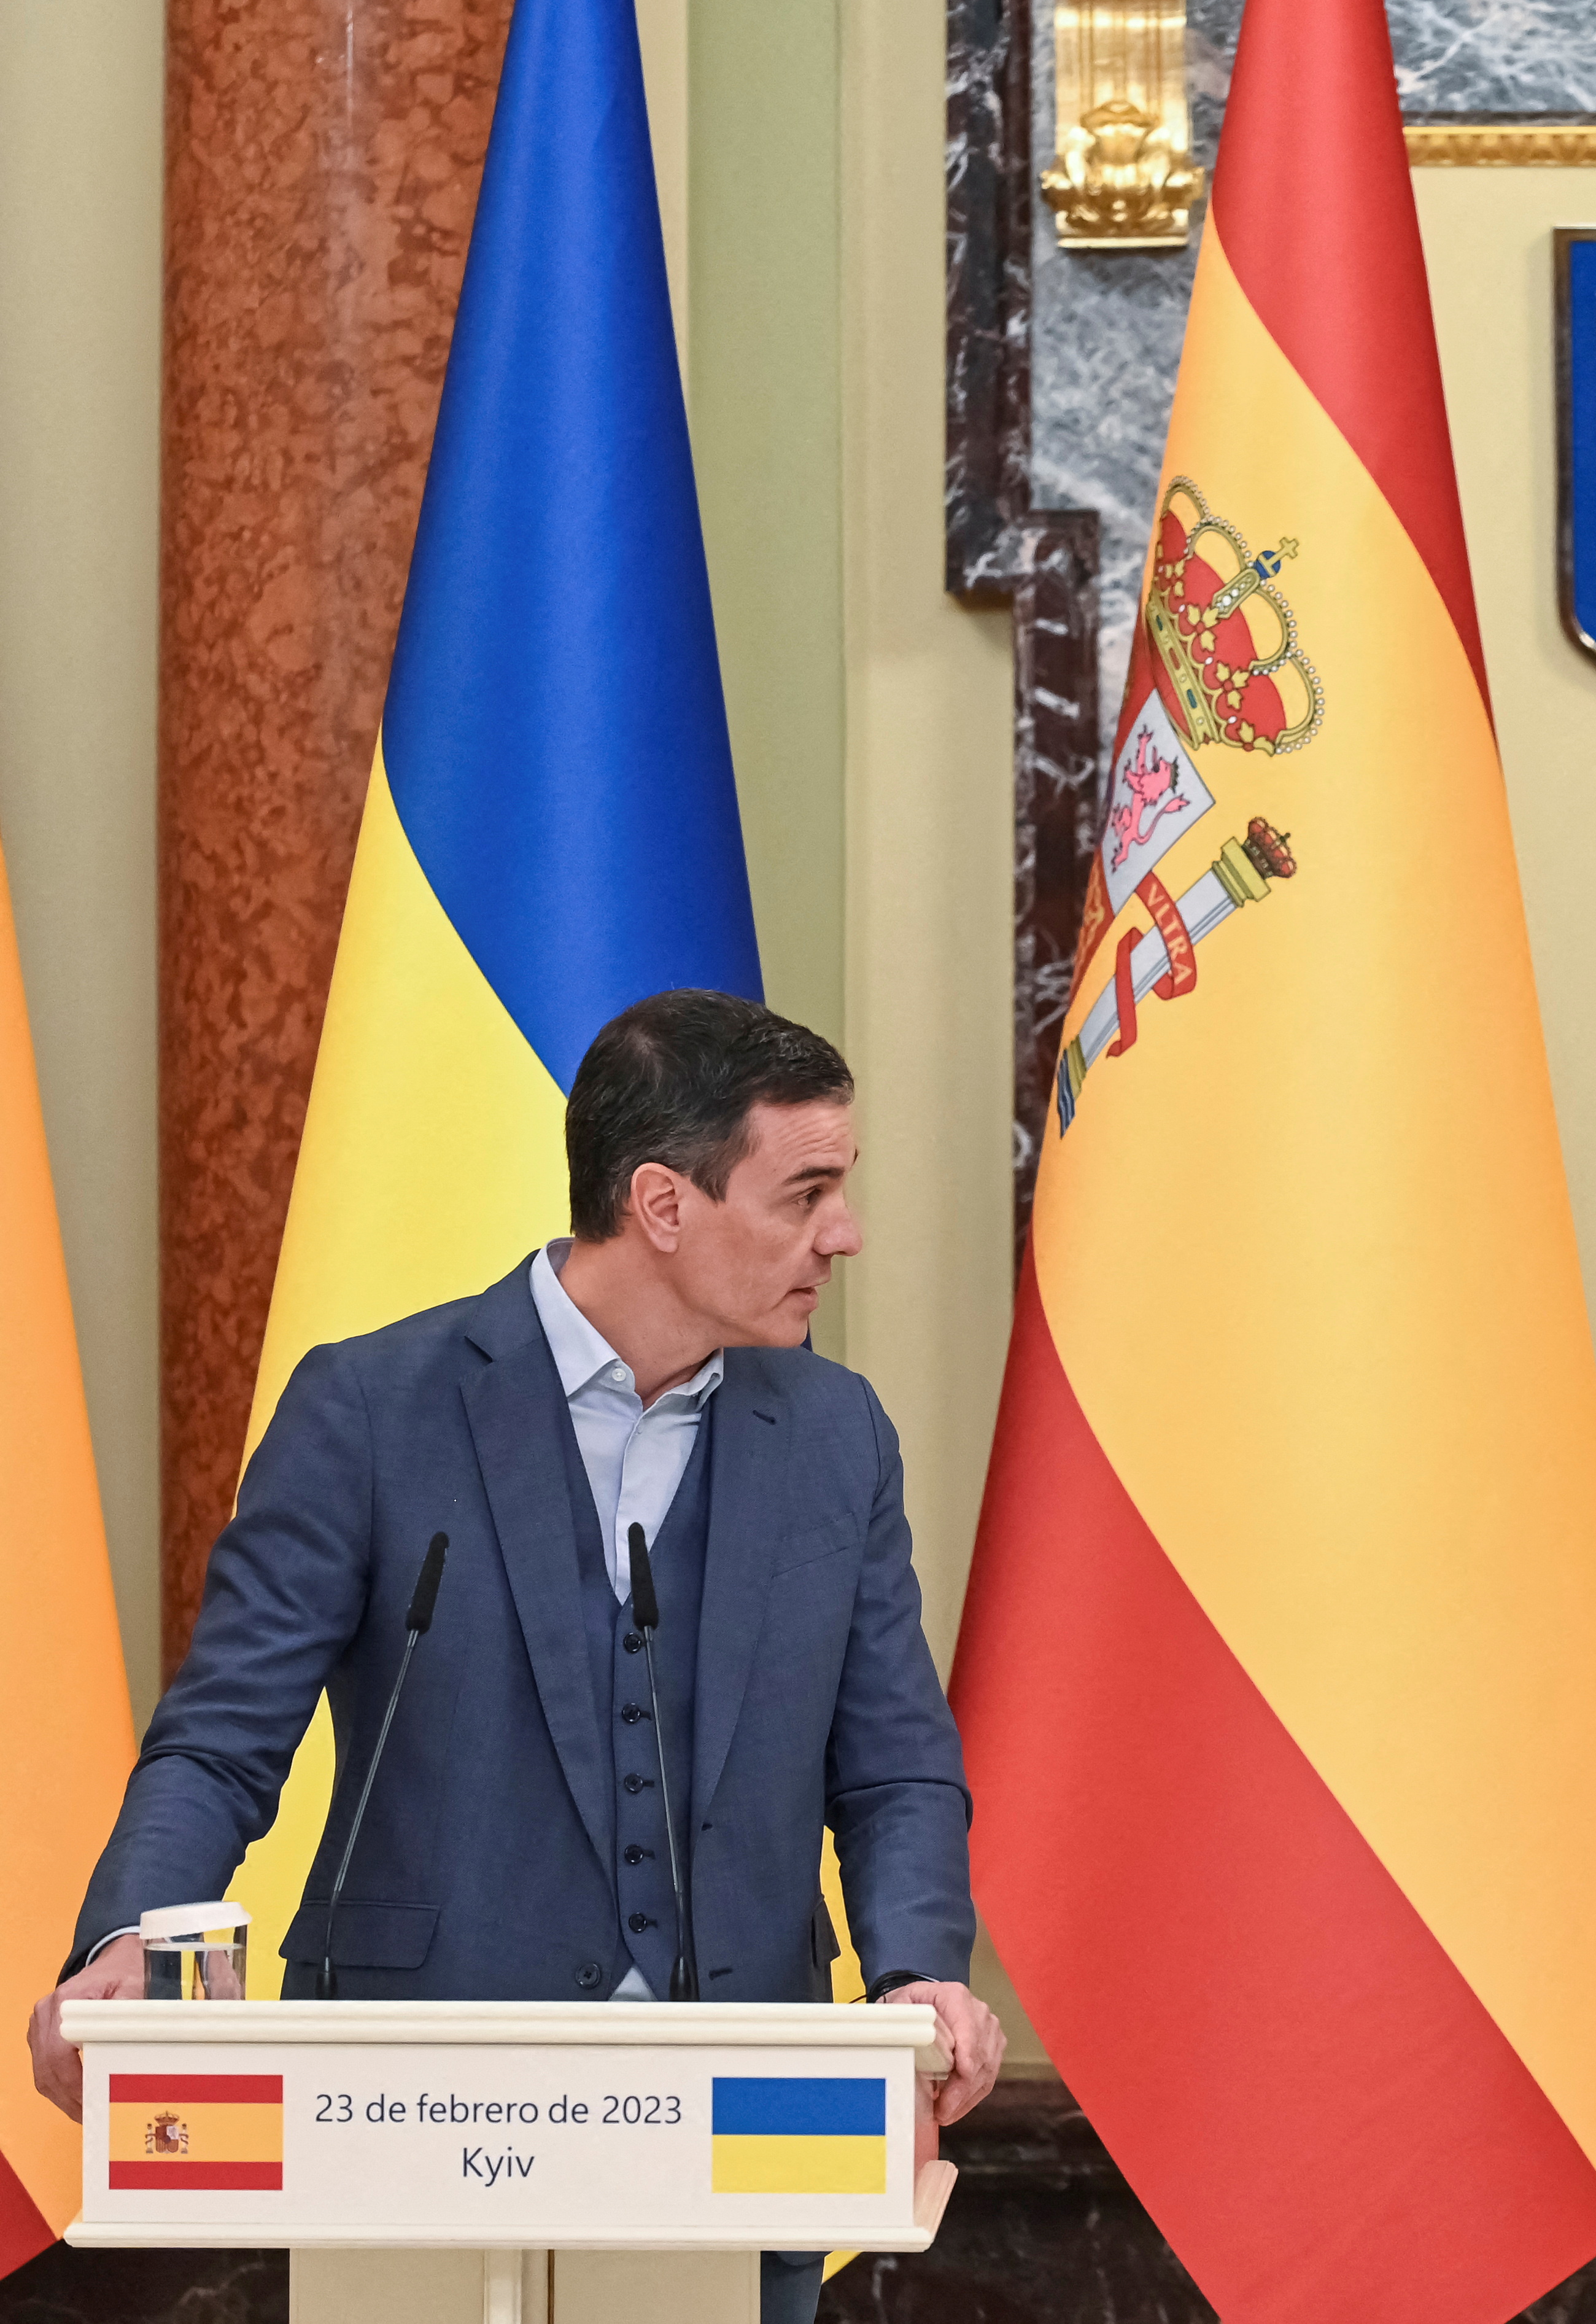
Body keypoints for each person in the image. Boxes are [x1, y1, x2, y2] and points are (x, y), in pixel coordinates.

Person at [25, 990, 1004, 2324]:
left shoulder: (838, 1435)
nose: (846, 1232)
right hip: (413, 2113)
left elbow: (894, 1763)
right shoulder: (371, 1407)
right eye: (806, 1191)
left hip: (742, 2113)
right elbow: (221, 1734)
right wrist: (131, 1934)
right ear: (663, 1203)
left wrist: (916, 1973)